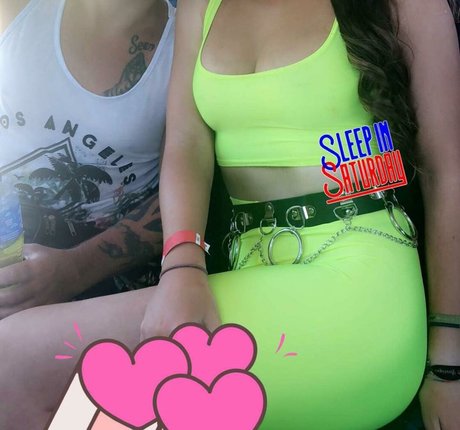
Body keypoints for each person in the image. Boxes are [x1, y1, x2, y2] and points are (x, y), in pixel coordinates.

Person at [0, 0, 458, 429]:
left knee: (14, 358)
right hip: (250, 274)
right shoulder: (201, 5)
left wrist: (448, 360)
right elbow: (187, 145)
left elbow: (447, 174)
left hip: (361, 289)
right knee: (83, 412)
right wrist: (182, 265)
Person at [0, 0, 175, 318]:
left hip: (98, 272)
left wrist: (74, 271)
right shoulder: (17, 9)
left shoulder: (185, 47)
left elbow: (184, 198)